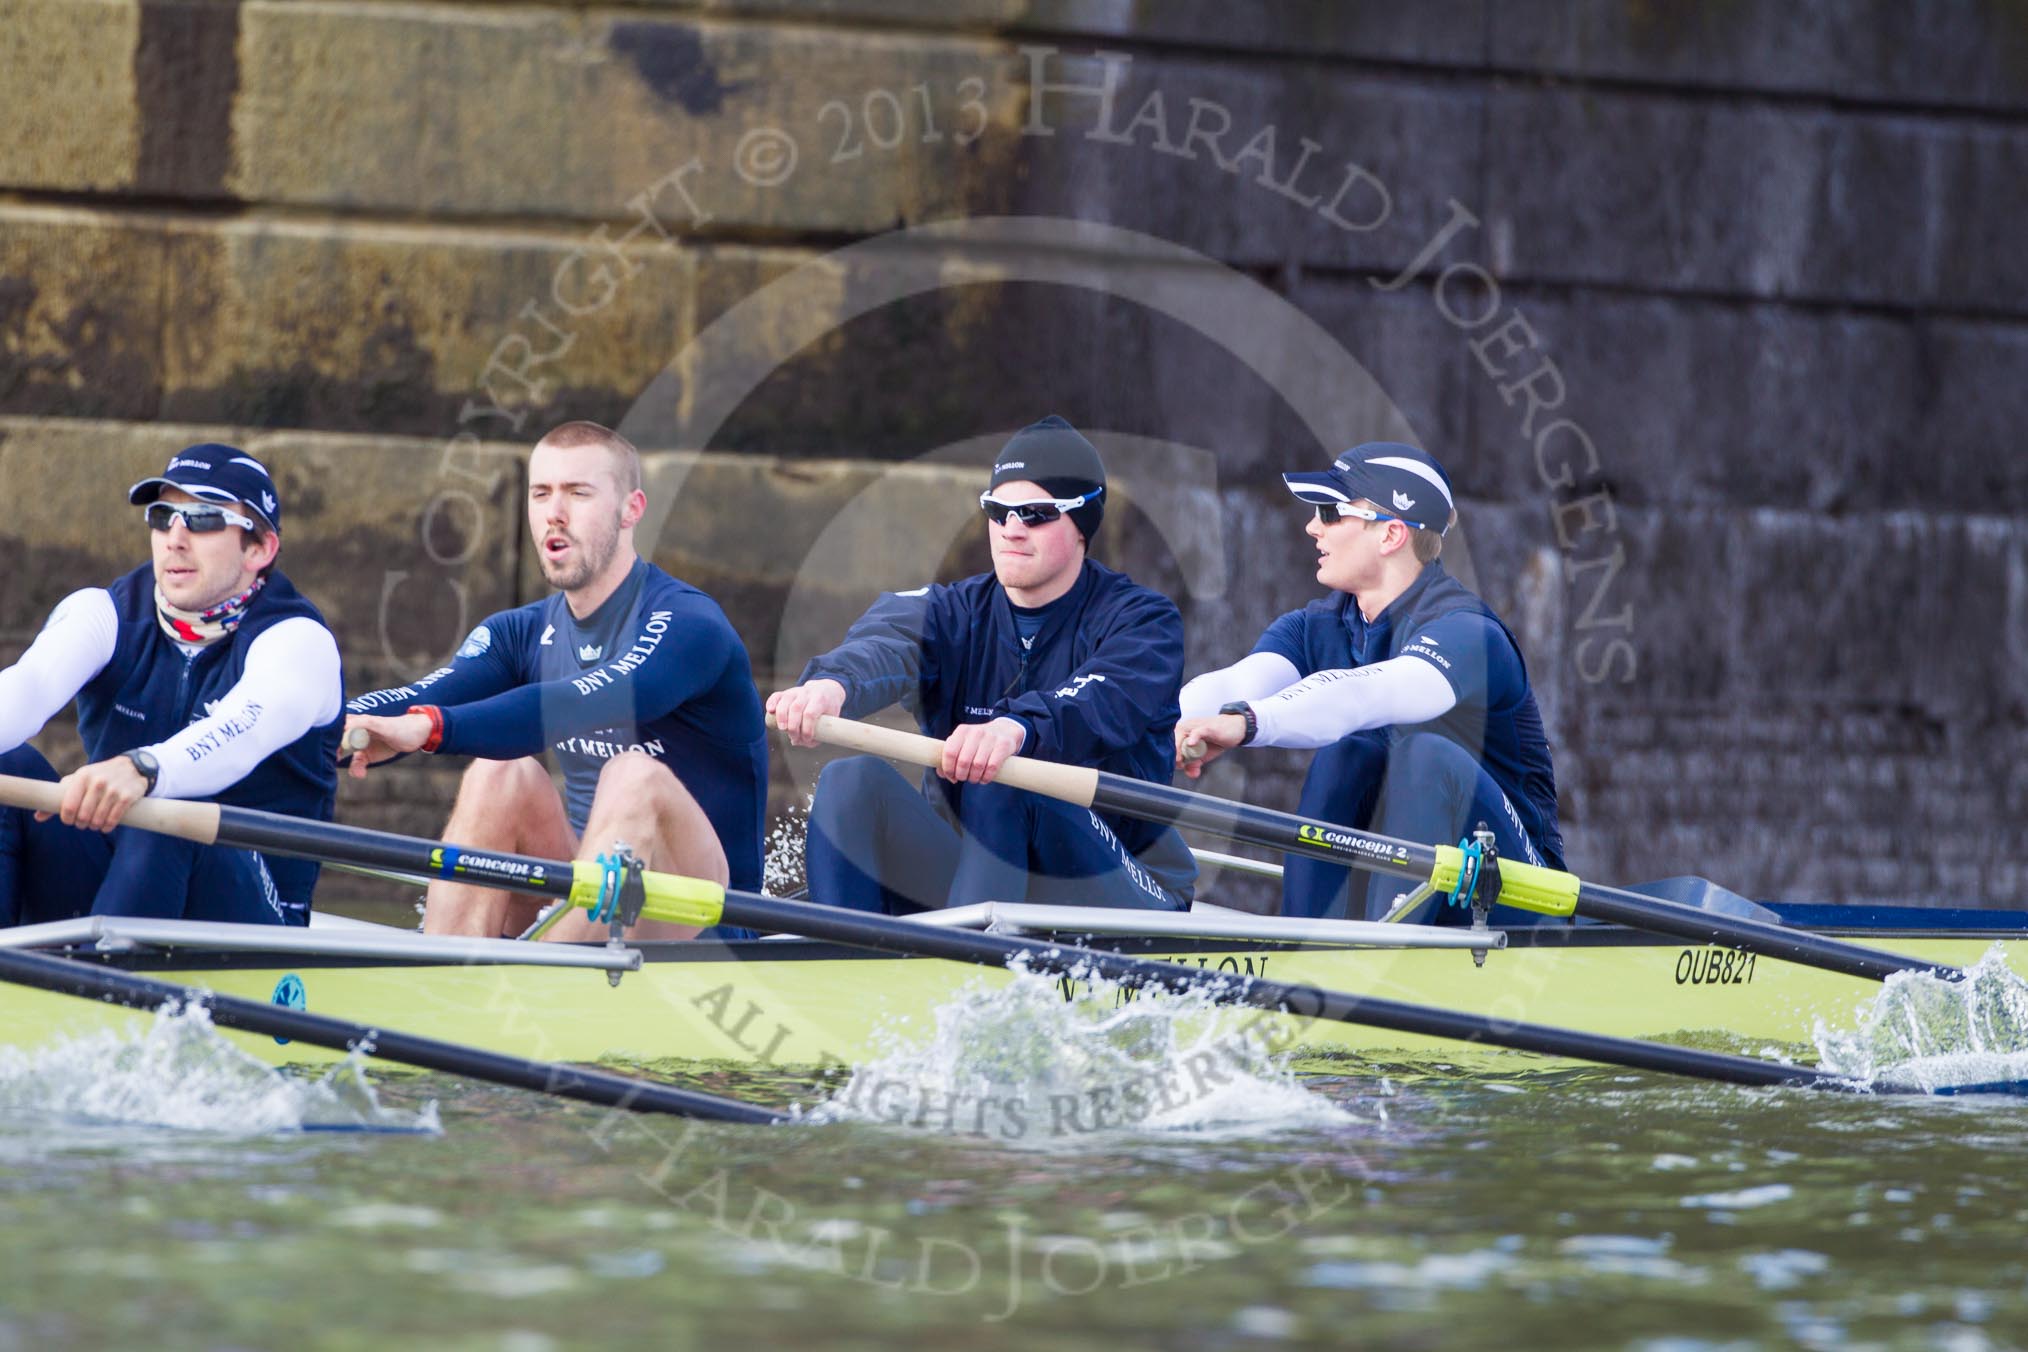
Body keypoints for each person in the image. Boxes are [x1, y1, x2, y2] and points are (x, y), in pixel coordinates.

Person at [340, 421, 766, 941]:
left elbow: (585, 700)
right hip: (597, 896)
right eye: (541, 493)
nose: (554, 514)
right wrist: (327, 728)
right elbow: (416, 698)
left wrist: (428, 729)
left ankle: (544, 988)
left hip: (710, 924)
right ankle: (446, 978)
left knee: (634, 773)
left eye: (578, 493)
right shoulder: (520, 632)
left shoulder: (689, 625)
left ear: (631, 509)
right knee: (501, 774)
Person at [769, 415, 1195, 914]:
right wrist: (833, 684)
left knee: (1011, 776)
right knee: (850, 782)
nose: (1012, 529)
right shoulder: (954, 611)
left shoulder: (1144, 621)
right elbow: (886, 640)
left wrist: (1015, 728)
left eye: (1035, 513)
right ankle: (841, 969)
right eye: (998, 510)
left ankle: (958, 976)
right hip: (983, 872)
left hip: (1122, 878)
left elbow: (1103, 699)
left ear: (1082, 524)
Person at [1173, 442, 1563, 923]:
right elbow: (1240, 681)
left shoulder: (1468, 634)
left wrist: (1245, 723)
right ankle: (1306, 952)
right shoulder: (1317, 626)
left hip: (1522, 900)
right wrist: (1173, 722)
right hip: (1424, 895)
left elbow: (1362, 694)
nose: (1312, 526)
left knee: (1426, 756)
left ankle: (1378, 957)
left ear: (1392, 534)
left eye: (1330, 511)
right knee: (1350, 753)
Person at [0, 446, 343, 927]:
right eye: (163, 517)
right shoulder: (104, 613)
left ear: (259, 548)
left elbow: (243, 730)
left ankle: (101, 990)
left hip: (252, 918)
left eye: (203, 519)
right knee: (10, 766)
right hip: (120, 876)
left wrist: (144, 767)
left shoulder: (298, 641)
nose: (175, 539)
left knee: (167, 814)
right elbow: (26, 691)